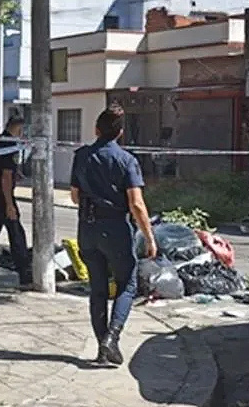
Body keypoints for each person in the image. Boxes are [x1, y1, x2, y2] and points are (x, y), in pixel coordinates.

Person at [70, 109, 157, 366]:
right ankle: (112, 337)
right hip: (116, 227)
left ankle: (101, 348)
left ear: (96, 129)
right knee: (127, 284)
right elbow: (137, 204)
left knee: (97, 289)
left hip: (87, 227)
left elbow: (75, 196)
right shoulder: (126, 160)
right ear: (120, 132)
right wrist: (150, 238)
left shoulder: (82, 156)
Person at [0, 115, 31, 287]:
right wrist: (9, 204)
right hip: (2, 194)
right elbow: (6, 177)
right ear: (19, 128)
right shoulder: (10, 145)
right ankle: (25, 272)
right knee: (16, 231)